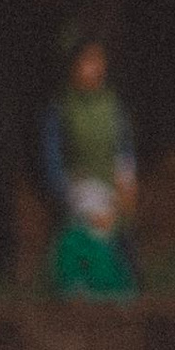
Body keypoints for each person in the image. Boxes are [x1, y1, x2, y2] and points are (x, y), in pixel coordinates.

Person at [41, 34, 139, 236]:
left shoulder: (112, 104)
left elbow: (124, 147)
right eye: (89, 60)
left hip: (116, 197)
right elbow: (53, 163)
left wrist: (127, 182)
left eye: (100, 59)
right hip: (81, 203)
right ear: (73, 65)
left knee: (123, 259)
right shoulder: (60, 109)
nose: (97, 67)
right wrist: (79, 198)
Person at [46, 176, 139, 300]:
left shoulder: (112, 242)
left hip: (117, 308)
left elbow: (126, 283)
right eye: (107, 209)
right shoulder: (73, 243)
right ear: (91, 214)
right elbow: (71, 286)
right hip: (89, 311)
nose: (113, 215)